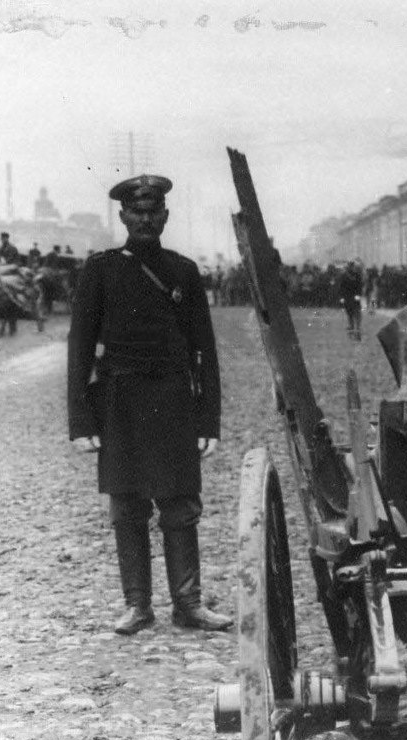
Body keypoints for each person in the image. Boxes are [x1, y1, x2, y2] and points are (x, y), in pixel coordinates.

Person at [66, 173, 232, 635]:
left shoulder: (183, 272)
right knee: (127, 504)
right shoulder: (100, 270)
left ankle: (189, 604)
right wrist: (80, 419)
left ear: (165, 216)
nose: (144, 219)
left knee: (180, 503)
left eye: (152, 211)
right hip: (119, 401)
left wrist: (208, 420)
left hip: (174, 399)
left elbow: (205, 349)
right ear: (123, 216)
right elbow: (79, 346)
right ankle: (137, 606)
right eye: (136, 212)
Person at [338, 259, 363, 338]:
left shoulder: (356, 275)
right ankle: (353, 330)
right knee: (351, 315)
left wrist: (358, 294)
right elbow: (341, 287)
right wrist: (342, 297)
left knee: (356, 314)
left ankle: (356, 330)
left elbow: (359, 286)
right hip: (348, 297)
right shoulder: (345, 276)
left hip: (352, 297)